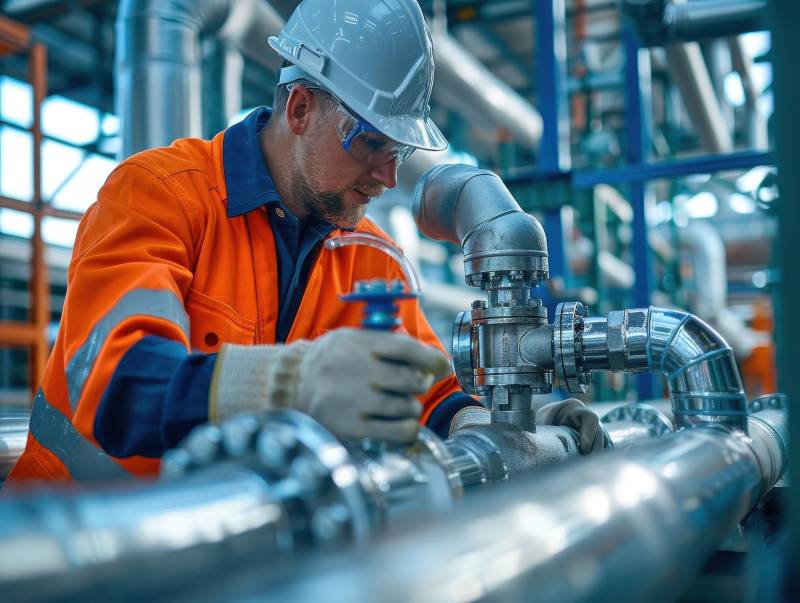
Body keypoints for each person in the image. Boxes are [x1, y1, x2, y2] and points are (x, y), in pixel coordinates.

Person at [7, 0, 602, 484]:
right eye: (370, 142)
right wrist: (290, 384)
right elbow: (117, 383)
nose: (389, 177)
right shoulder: (159, 193)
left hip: (223, 551)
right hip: (72, 545)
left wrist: (496, 423)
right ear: (299, 108)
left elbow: (422, 394)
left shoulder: (372, 256)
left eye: (398, 153)